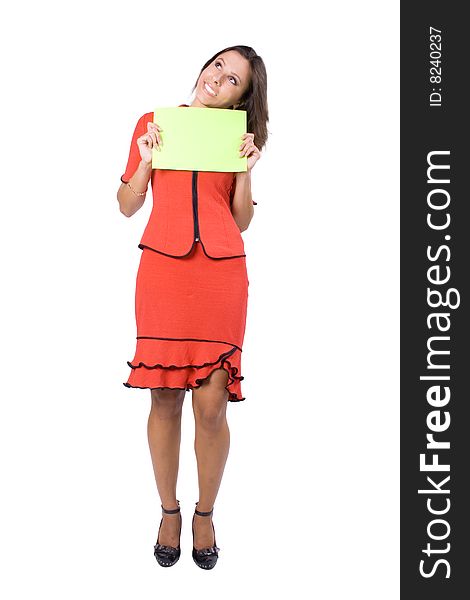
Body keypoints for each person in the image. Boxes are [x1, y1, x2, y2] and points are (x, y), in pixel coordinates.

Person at [117, 45, 269, 569]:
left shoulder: (236, 138)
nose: (218, 79)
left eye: (233, 80)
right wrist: (147, 159)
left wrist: (247, 169)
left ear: (242, 98)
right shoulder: (155, 123)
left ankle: (206, 512)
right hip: (163, 271)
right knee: (162, 398)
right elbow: (127, 203)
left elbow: (241, 219)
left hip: (221, 275)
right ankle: (168, 511)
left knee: (211, 405)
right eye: (217, 67)